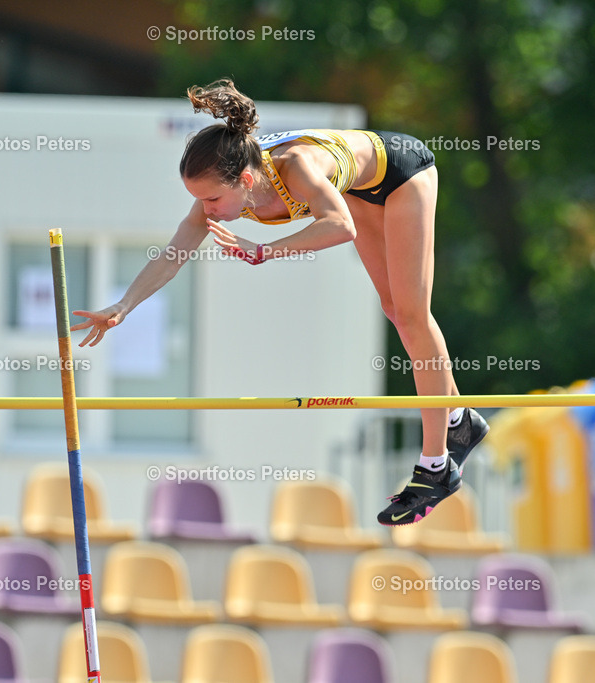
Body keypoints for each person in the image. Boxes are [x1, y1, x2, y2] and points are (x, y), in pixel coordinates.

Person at [71, 78, 488, 525]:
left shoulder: (297, 168)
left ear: (246, 180)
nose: (205, 210)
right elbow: (173, 257)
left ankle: (436, 465)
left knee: (410, 315)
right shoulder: (221, 193)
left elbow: (339, 227)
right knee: (394, 310)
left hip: (402, 172)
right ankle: (459, 418)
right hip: (357, 188)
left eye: (211, 199)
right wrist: (123, 306)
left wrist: (265, 250)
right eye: (198, 200)